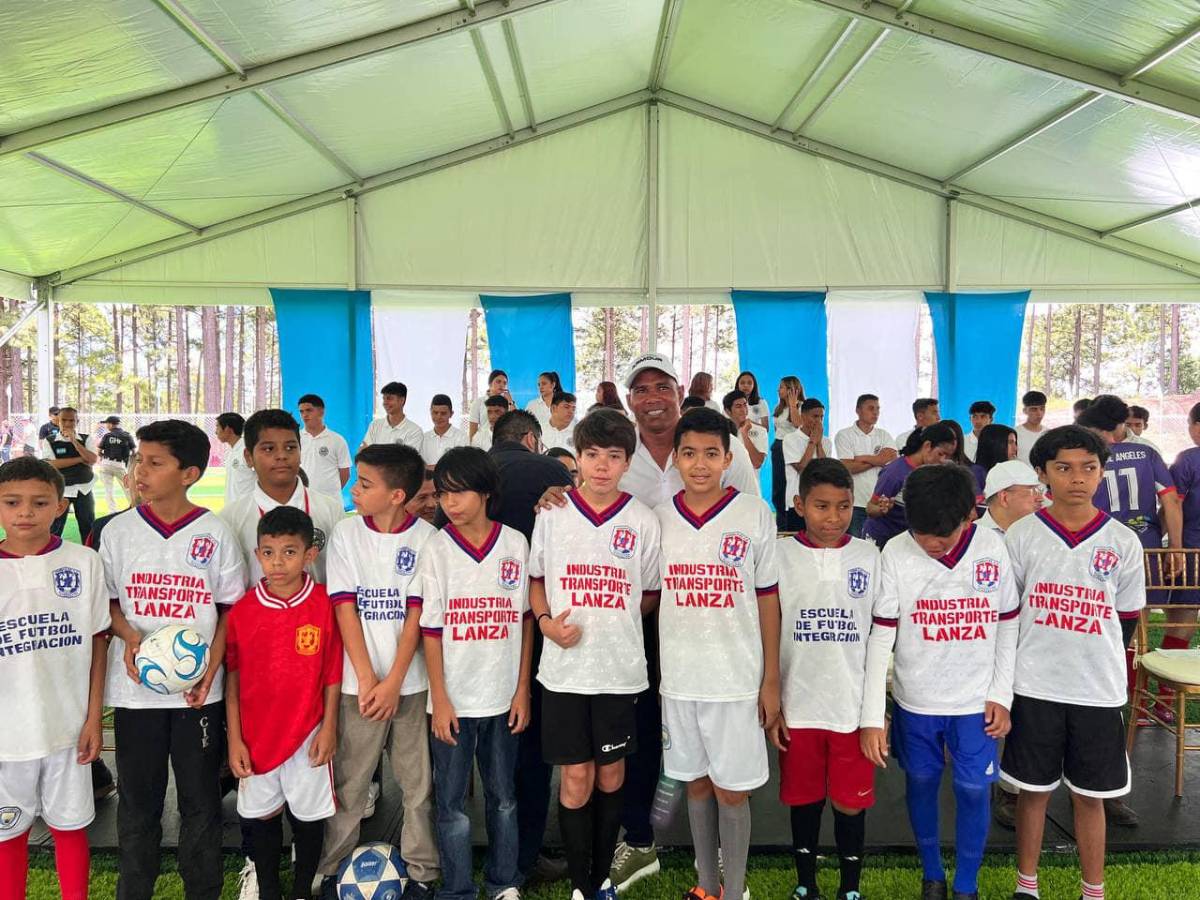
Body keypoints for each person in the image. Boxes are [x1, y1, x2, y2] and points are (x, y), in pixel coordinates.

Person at [100, 420, 247, 900]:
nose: (140, 471)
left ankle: (202, 890)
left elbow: (230, 609)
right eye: (138, 461)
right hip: (135, 694)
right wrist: (130, 637)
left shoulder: (215, 532)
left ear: (189, 474)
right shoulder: (118, 532)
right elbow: (108, 603)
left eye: (154, 462)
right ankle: (134, 889)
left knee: (200, 800)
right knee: (137, 801)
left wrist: (212, 668)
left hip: (197, 696)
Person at [861, 464, 1017, 900]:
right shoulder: (895, 552)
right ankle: (932, 874)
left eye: (943, 537)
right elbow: (881, 638)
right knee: (921, 783)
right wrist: (873, 716)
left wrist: (1001, 694)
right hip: (916, 700)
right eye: (921, 534)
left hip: (975, 701)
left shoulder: (992, 548)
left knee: (973, 788)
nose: (931, 544)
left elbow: (1008, 624)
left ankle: (967, 884)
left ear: (970, 515)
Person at [1004, 426, 1146, 900]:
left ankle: (1093, 889)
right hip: (1034, 684)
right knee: (1033, 791)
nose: (1077, 478)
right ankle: (1027, 885)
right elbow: (1007, 613)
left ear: (1102, 472)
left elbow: (1126, 618)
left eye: (1089, 467)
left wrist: (1093, 655)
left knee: (1091, 796)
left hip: (1096, 689)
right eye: (1064, 468)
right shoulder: (1022, 535)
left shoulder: (1122, 541)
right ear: (1043, 473)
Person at [528, 410, 660, 900]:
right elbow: (536, 580)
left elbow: (649, 593)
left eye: (614, 456)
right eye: (592, 455)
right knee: (576, 775)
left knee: (610, 773)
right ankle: (581, 884)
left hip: (619, 671)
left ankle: (603, 876)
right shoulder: (552, 513)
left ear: (628, 462)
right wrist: (546, 623)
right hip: (564, 671)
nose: (602, 465)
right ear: (577, 459)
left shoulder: (642, 520)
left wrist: (612, 621)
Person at [650, 407, 779, 900]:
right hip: (681, 680)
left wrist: (770, 680)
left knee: (731, 789)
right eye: (689, 454)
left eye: (710, 453)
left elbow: (767, 598)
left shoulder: (754, 514)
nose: (699, 464)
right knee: (697, 784)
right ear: (675, 460)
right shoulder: (660, 519)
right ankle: (707, 886)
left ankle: (736, 889)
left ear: (728, 458)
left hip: (736, 680)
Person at [318, 444, 440, 897]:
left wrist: (393, 682)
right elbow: (344, 607)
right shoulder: (347, 534)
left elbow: (416, 615)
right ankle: (330, 870)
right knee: (350, 785)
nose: (354, 489)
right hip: (359, 687)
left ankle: (422, 872)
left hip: (409, 686)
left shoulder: (426, 538)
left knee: (417, 787)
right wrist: (369, 679)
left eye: (365, 484)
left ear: (397, 495)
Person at [415, 447, 533, 900]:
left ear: (485, 493)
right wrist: (440, 700)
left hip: (503, 698)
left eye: (459, 492)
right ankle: (458, 888)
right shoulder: (437, 549)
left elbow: (524, 621)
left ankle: (504, 882)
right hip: (453, 702)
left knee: (504, 798)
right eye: (443, 494)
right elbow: (431, 631)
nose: (449, 503)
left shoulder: (514, 544)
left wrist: (521, 691)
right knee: (451, 804)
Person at [0, 457, 108, 900]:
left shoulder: (83, 561)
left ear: (61, 506)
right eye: (12, 502)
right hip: (7, 735)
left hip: (68, 728)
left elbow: (98, 641)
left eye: (39, 502)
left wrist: (93, 717)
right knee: (8, 833)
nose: (25, 512)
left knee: (70, 826)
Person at [775, 459, 879, 900]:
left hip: (850, 708)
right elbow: (768, 630)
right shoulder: (779, 556)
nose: (833, 517)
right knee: (804, 799)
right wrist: (773, 699)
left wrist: (876, 711)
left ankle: (849, 889)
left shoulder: (869, 556)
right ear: (799, 505)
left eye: (843, 506)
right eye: (821, 506)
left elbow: (880, 638)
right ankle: (806, 884)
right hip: (797, 706)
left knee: (850, 803)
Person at [227, 507, 341, 900]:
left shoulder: (324, 605)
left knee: (308, 817)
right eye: (269, 552)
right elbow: (233, 678)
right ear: (257, 554)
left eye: (289, 552)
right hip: (255, 737)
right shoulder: (243, 610)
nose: (277, 562)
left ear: (310, 554)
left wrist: (329, 727)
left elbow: (332, 672)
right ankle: (269, 890)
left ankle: (302, 890)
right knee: (262, 816)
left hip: (308, 732)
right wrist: (235, 739)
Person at [1081, 395, 1182, 751]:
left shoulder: (1090, 453)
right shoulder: (1148, 452)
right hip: (1146, 548)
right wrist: (1174, 547)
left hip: (1101, 549)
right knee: (1140, 623)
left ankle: (1120, 697)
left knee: (1108, 622)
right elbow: (1170, 500)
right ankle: (1141, 701)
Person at [220, 409, 345, 584]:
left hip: (319, 602)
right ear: (248, 457)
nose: (281, 456)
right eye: (268, 449)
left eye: (290, 448)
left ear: (300, 452)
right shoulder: (230, 519)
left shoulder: (331, 510)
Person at [863, 423, 957, 549]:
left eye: (948, 456)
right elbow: (870, 508)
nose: (943, 460)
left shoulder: (931, 471)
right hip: (882, 537)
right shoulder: (895, 473)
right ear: (927, 446)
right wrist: (881, 509)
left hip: (906, 539)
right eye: (941, 454)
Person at [834, 393, 896, 539]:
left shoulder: (884, 435)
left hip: (879, 503)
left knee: (878, 545)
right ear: (858, 410)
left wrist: (862, 458)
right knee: (856, 545)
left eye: (878, 409)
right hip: (855, 502)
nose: (875, 413)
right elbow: (847, 467)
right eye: (871, 408)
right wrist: (878, 459)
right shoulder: (844, 435)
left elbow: (891, 459)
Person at [41, 406, 98, 540]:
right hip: (61, 490)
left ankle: (90, 551)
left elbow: (92, 460)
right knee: (55, 528)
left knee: (88, 527)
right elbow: (51, 464)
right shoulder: (50, 440)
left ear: (77, 422)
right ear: (58, 421)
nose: (67, 423)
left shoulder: (86, 439)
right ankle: (51, 552)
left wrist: (74, 441)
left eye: (71, 420)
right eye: (64, 420)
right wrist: (80, 459)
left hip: (84, 489)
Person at [782, 399, 833, 531]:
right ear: (803, 416)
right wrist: (812, 442)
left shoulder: (826, 442)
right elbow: (801, 468)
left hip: (821, 501)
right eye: (815, 416)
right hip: (797, 502)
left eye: (821, 417)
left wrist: (819, 444)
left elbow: (825, 471)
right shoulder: (790, 439)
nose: (819, 421)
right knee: (797, 540)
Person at [297, 394, 353, 500]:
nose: (305, 415)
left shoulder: (337, 440)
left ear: (321, 412)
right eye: (301, 411)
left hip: (331, 500)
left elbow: (345, 473)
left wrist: (332, 493)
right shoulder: (295, 439)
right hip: (303, 499)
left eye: (309, 410)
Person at [772, 377, 805, 529]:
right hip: (778, 446)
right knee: (778, 487)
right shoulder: (779, 408)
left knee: (790, 485)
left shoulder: (801, 407)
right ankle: (780, 524)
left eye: (782, 387)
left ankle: (791, 522)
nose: (778, 390)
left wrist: (793, 405)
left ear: (792, 390)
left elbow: (799, 425)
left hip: (792, 448)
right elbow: (776, 429)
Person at [976, 460, 1042, 536]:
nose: (1040, 498)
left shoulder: (1042, 533)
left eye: (1039, 490)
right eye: (1033, 491)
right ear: (1004, 498)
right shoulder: (973, 537)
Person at [361, 382, 424, 450]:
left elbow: (408, 456)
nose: (385, 403)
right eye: (384, 399)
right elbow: (364, 451)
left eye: (389, 398)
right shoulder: (375, 425)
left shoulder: (414, 431)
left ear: (402, 400)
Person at [970, 424, 1018, 510]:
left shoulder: (1011, 472)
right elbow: (979, 507)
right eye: (1010, 443)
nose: (1015, 448)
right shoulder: (975, 473)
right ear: (994, 444)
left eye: (1015, 443)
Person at [96, 415, 136, 513]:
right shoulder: (127, 435)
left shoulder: (107, 436)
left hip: (106, 463)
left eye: (107, 423)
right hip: (120, 464)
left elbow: (99, 451)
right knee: (127, 487)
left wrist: (103, 457)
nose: (106, 425)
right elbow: (134, 452)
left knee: (108, 489)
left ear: (111, 424)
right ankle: (133, 506)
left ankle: (112, 511)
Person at [216, 412, 256, 505]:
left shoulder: (248, 449)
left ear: (227, 429)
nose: (216, 432)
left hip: (247, 507)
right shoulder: (230, 451)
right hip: (232, 507)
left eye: (217, 427)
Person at [723, 389, 767, 470]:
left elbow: (757, 463)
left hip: (749, 478)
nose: (743, 410)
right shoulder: (721, 432)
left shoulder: (760, 431)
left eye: (745, 405)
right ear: (728, 411)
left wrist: (744, 434)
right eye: (738, 406)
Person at [421, 393, 468, 466]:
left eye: (443, 413)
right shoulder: (423, 438)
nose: (438, 417)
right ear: (430, 412)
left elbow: (462, 466)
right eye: (435, 413)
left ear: (451, 414)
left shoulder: (462, 438)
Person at [469, 370, 514, 442]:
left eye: (504, 383)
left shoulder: (509, 403)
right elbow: (472, 430)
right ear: (490, 384)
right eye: (498, 382)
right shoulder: (478, 402)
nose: (502, 385)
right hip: (483, 442)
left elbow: (517, 421)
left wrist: (510, 401)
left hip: (504, 441)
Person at [1015, 391, 1047, 465]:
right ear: (1025, 411)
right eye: (1034, 409)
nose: (1039, 413)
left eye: (1042, 409)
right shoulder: (1015, 433)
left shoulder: (1049, 434)